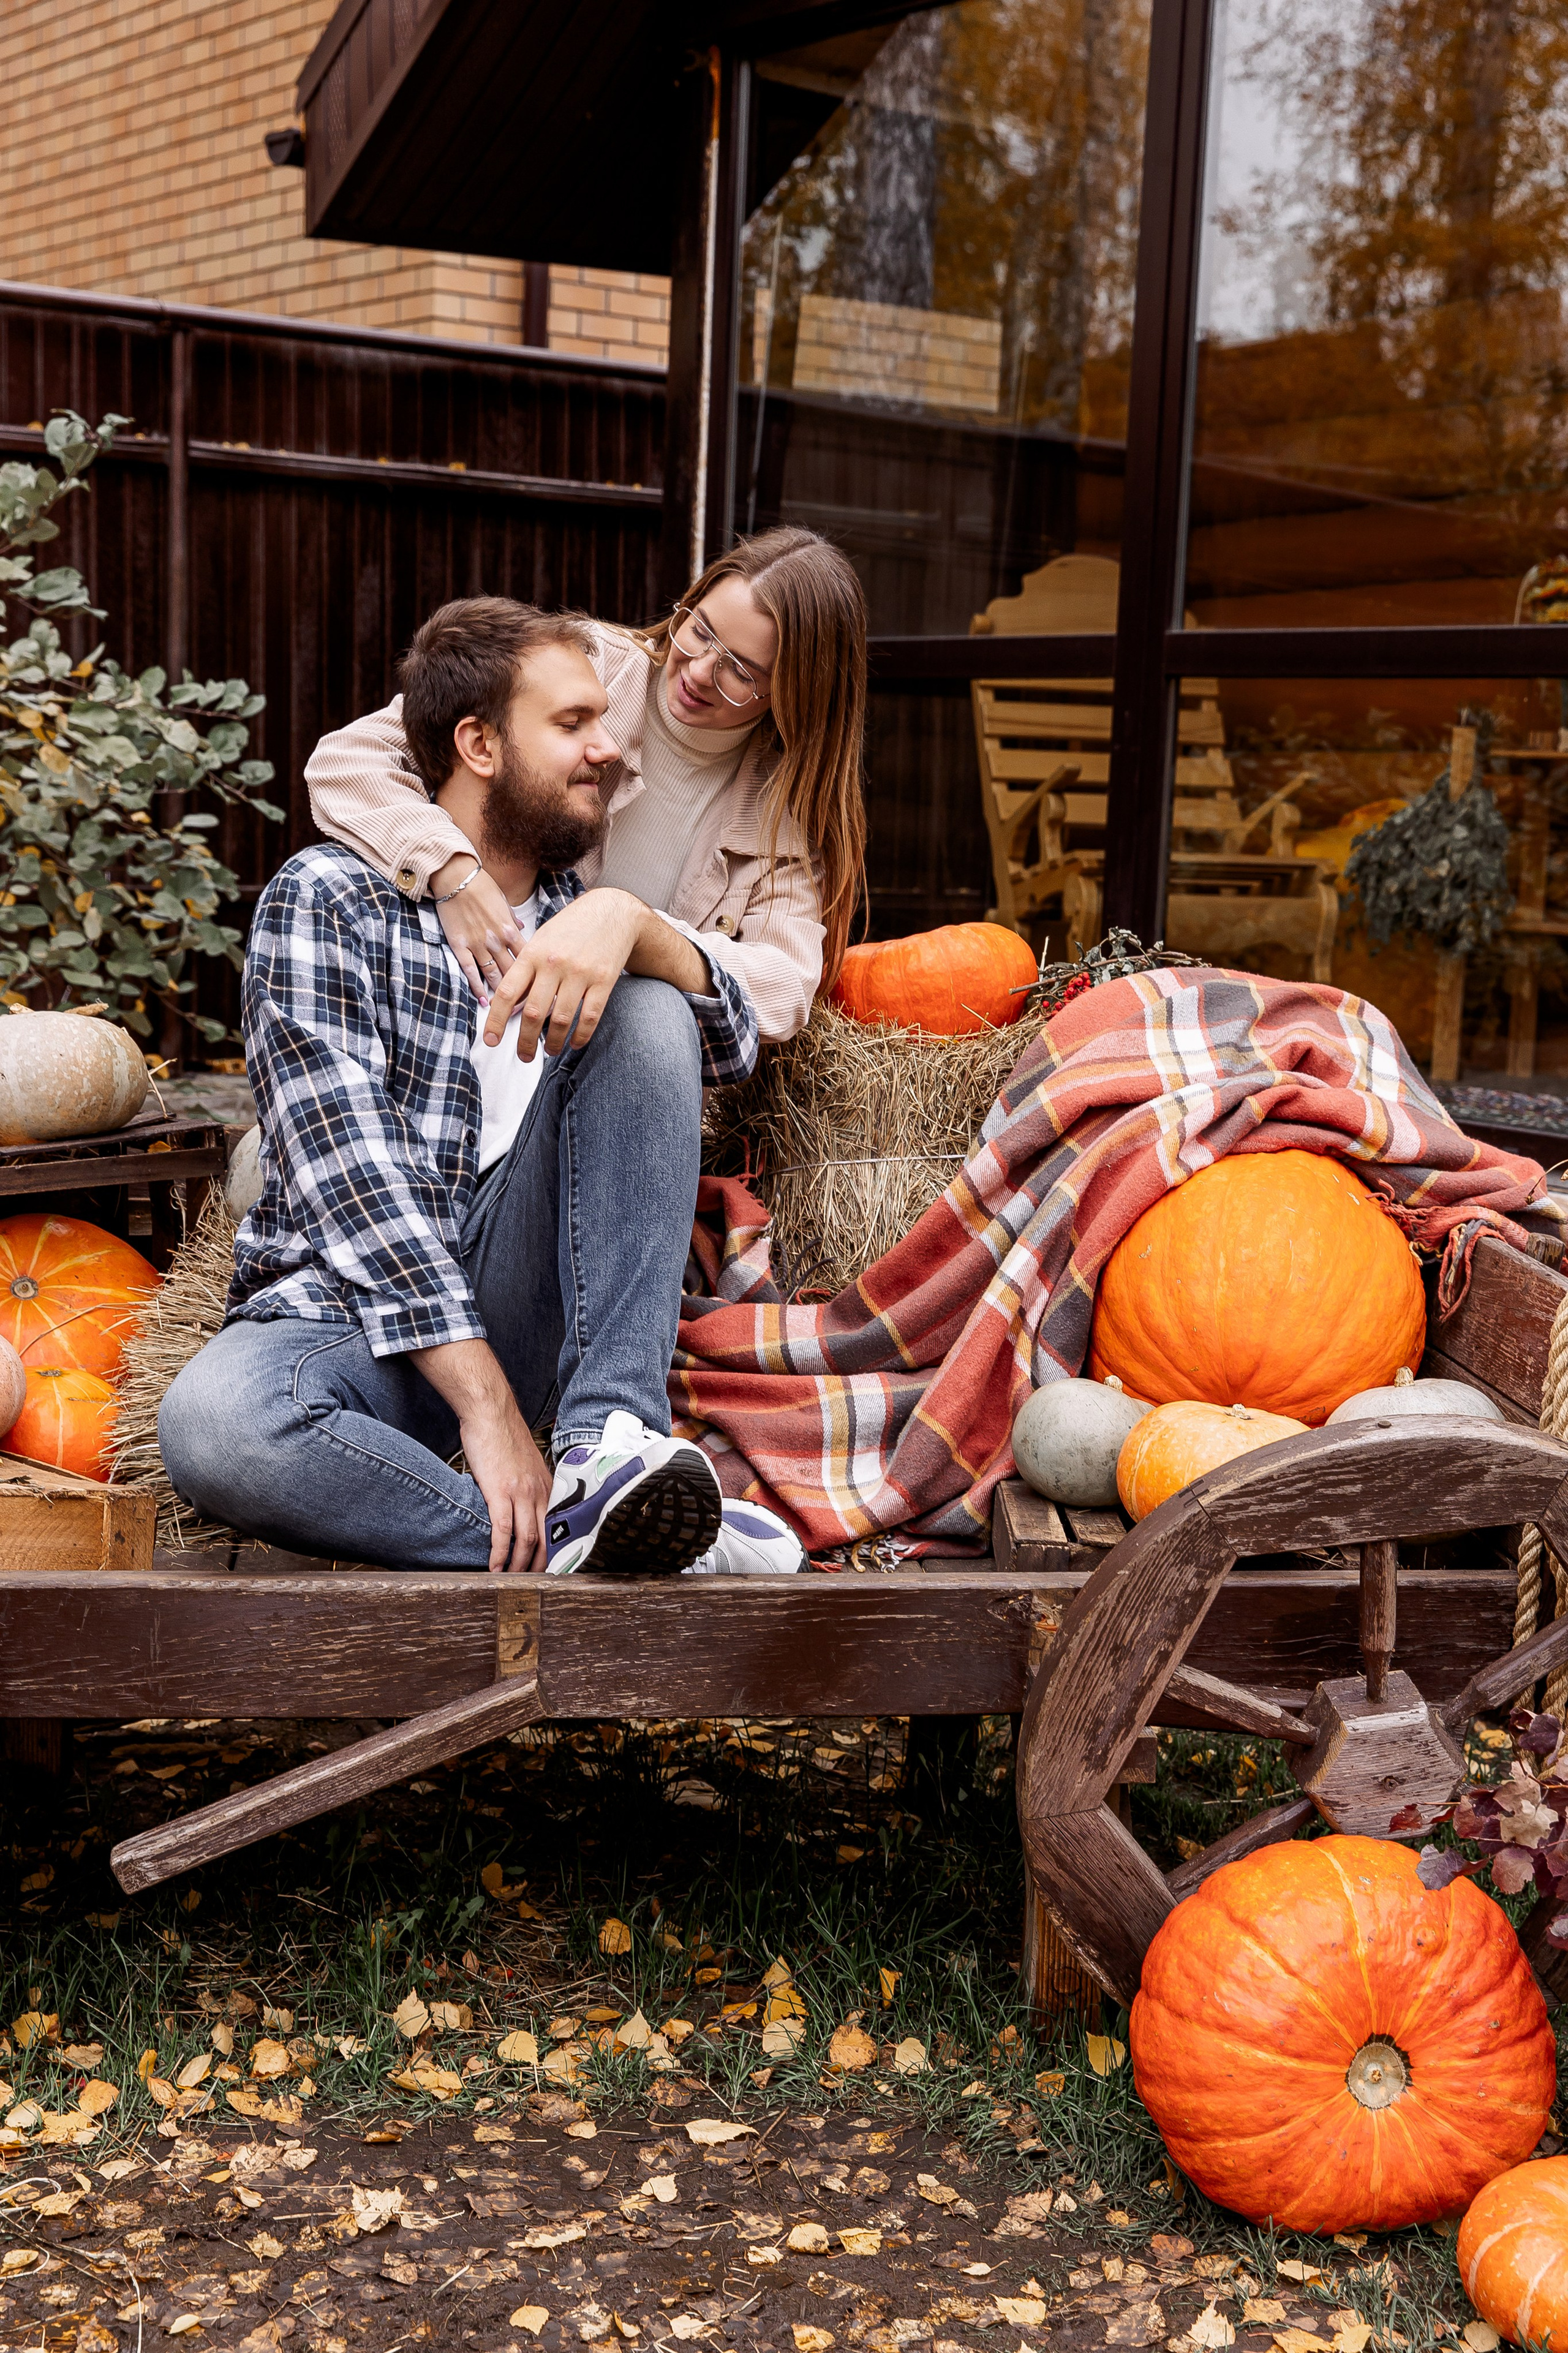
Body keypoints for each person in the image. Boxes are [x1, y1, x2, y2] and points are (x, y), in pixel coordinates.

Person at [157, 597, 802, 1578]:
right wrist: (487, 1407)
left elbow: (730, 1048)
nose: (613, 752)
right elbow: (353, 1184)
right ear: (480, 744)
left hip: (526, 1299)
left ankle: (607, 1443)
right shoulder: (324, 899)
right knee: (217, 1424)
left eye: (606, 723)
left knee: (650, 1002)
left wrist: (634, 924)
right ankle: (575, 1547)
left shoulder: (581, 925)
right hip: (354, 1317)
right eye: (575, 726)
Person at [303, 525, 868, 1049]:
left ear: (794, 693)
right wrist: (452, 872)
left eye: (741, 672)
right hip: (462, 1013)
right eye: (700, 633)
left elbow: (784, 988)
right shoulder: (589, 665)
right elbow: (348, 759)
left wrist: (634, 925)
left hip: (616, 1066)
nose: (697, 671)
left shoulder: (782, 813)